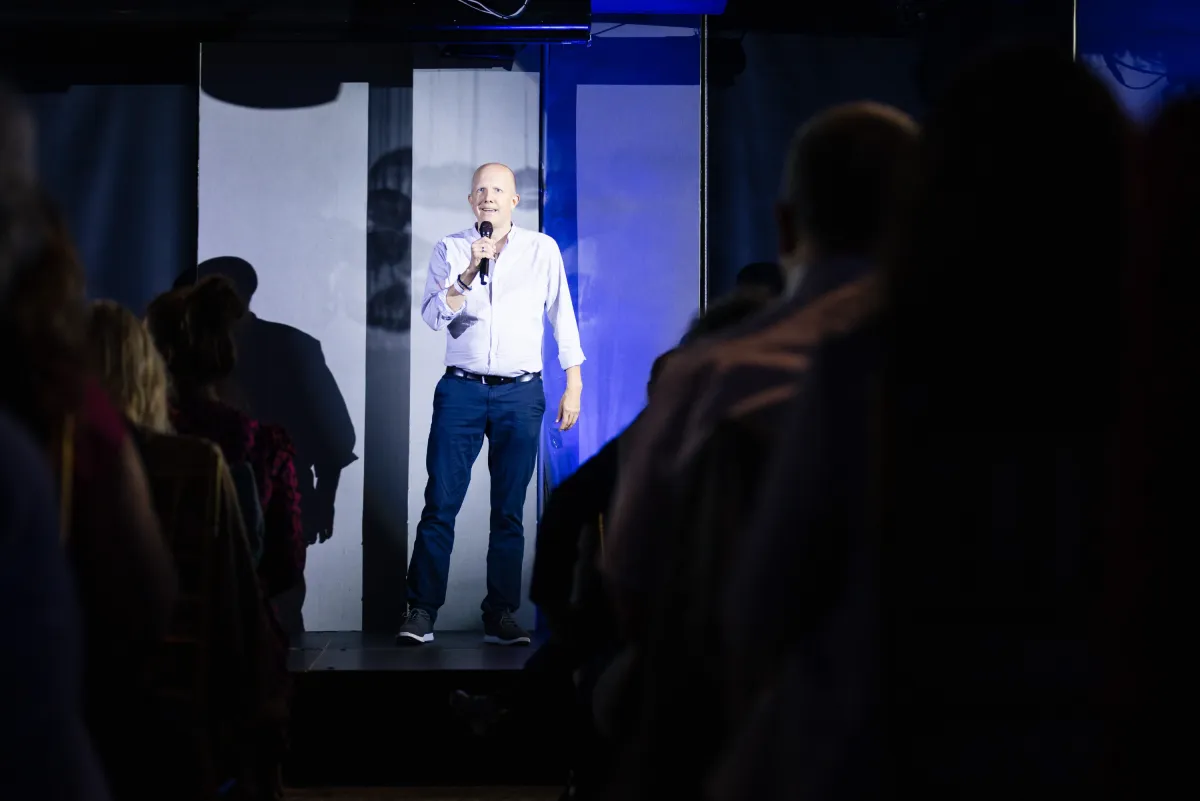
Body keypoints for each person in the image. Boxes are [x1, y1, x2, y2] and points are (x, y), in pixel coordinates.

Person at [398, 162, 585, 647]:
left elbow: (562, 314)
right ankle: (420, 610)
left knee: (508, 510)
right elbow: (432, 317)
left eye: (498, 189)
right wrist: (465, 275)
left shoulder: (541, 249)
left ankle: (500, 613)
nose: (488, 197)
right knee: (440, 502)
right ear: (470, 201)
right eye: (480, 190)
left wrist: (575, 383)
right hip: (461, 389)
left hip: (520, 392)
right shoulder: (452, 248)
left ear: (513, 200)